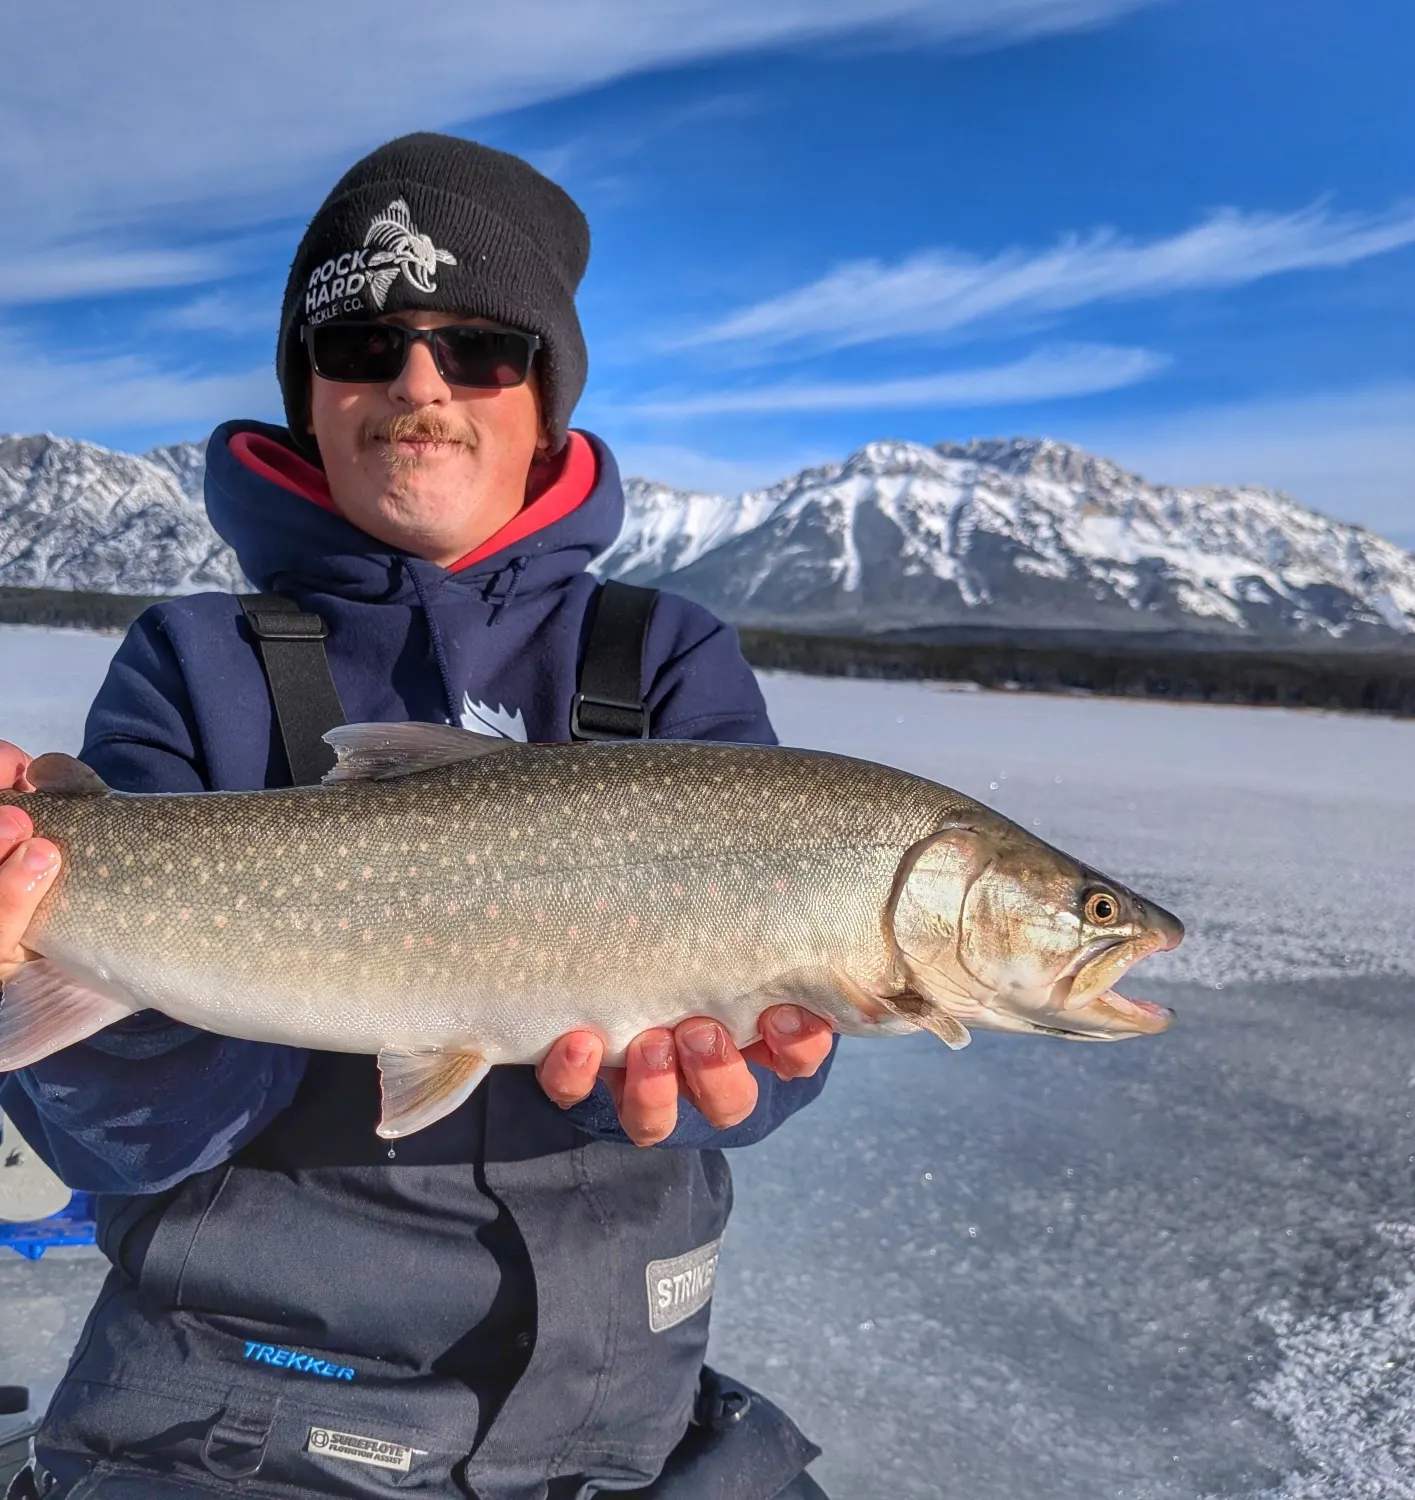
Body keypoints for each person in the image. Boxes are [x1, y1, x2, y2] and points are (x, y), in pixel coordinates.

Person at [0, 133, 837, 1499]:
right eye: (364, 345)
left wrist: (740, 1088)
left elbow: (765, 1055)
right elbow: (117, 1142)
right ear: (308, 392)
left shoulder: (666, 656)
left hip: (615, 1413)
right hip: (233, 1414)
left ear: (548, 393)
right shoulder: (197, 662)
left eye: (481, 351)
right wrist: (29, 953)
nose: (419, 387)